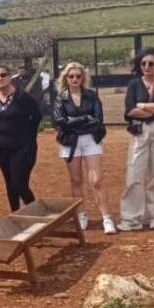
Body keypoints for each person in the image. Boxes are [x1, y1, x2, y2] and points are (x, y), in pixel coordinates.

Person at [52, 63, 118, 234]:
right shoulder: (60, 98)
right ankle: (81, 215)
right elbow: (61, 122)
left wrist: (74, 122)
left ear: (83, 78)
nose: (74, 79)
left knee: (97, 180)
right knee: (76, 180)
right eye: (71, 76)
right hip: (70, 141)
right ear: (66, 79)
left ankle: (106, 218)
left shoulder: (91, 96)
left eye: (78, 76)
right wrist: (85, 119)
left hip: (91, 139)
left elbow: (98, 120)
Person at [118, 47, 154, 231]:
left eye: (151, 63)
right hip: (140, 131)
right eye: (143, 63)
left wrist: (142, 106)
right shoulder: (134, 85)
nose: (147, 67)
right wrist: (152, 109)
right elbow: (129, 111)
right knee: (134, 174)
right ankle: (131, 218)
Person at [0, 65, 43, 212]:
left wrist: (29, 136)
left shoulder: (22, 97)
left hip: (22, 148)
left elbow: (36, 116)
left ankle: (36, 214)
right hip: (1, 148)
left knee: (20, 183)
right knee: (10, 184)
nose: (0, 78)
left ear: (10, 76)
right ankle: (15, 215)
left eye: (3, 75)